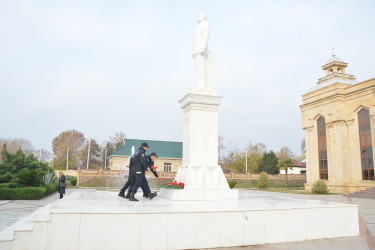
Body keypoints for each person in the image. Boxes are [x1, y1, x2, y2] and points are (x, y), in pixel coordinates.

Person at [193, 14, 210, 89]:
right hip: (196, 49)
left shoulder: (206, 23)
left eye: (199, 16)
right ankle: (199, 84)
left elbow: (206, 35)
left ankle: (203, 85)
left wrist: (203, 47)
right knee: (198, 68)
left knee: (201, 67)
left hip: (201, 48)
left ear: (203, 17)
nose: (198, 17)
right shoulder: (198, 26)